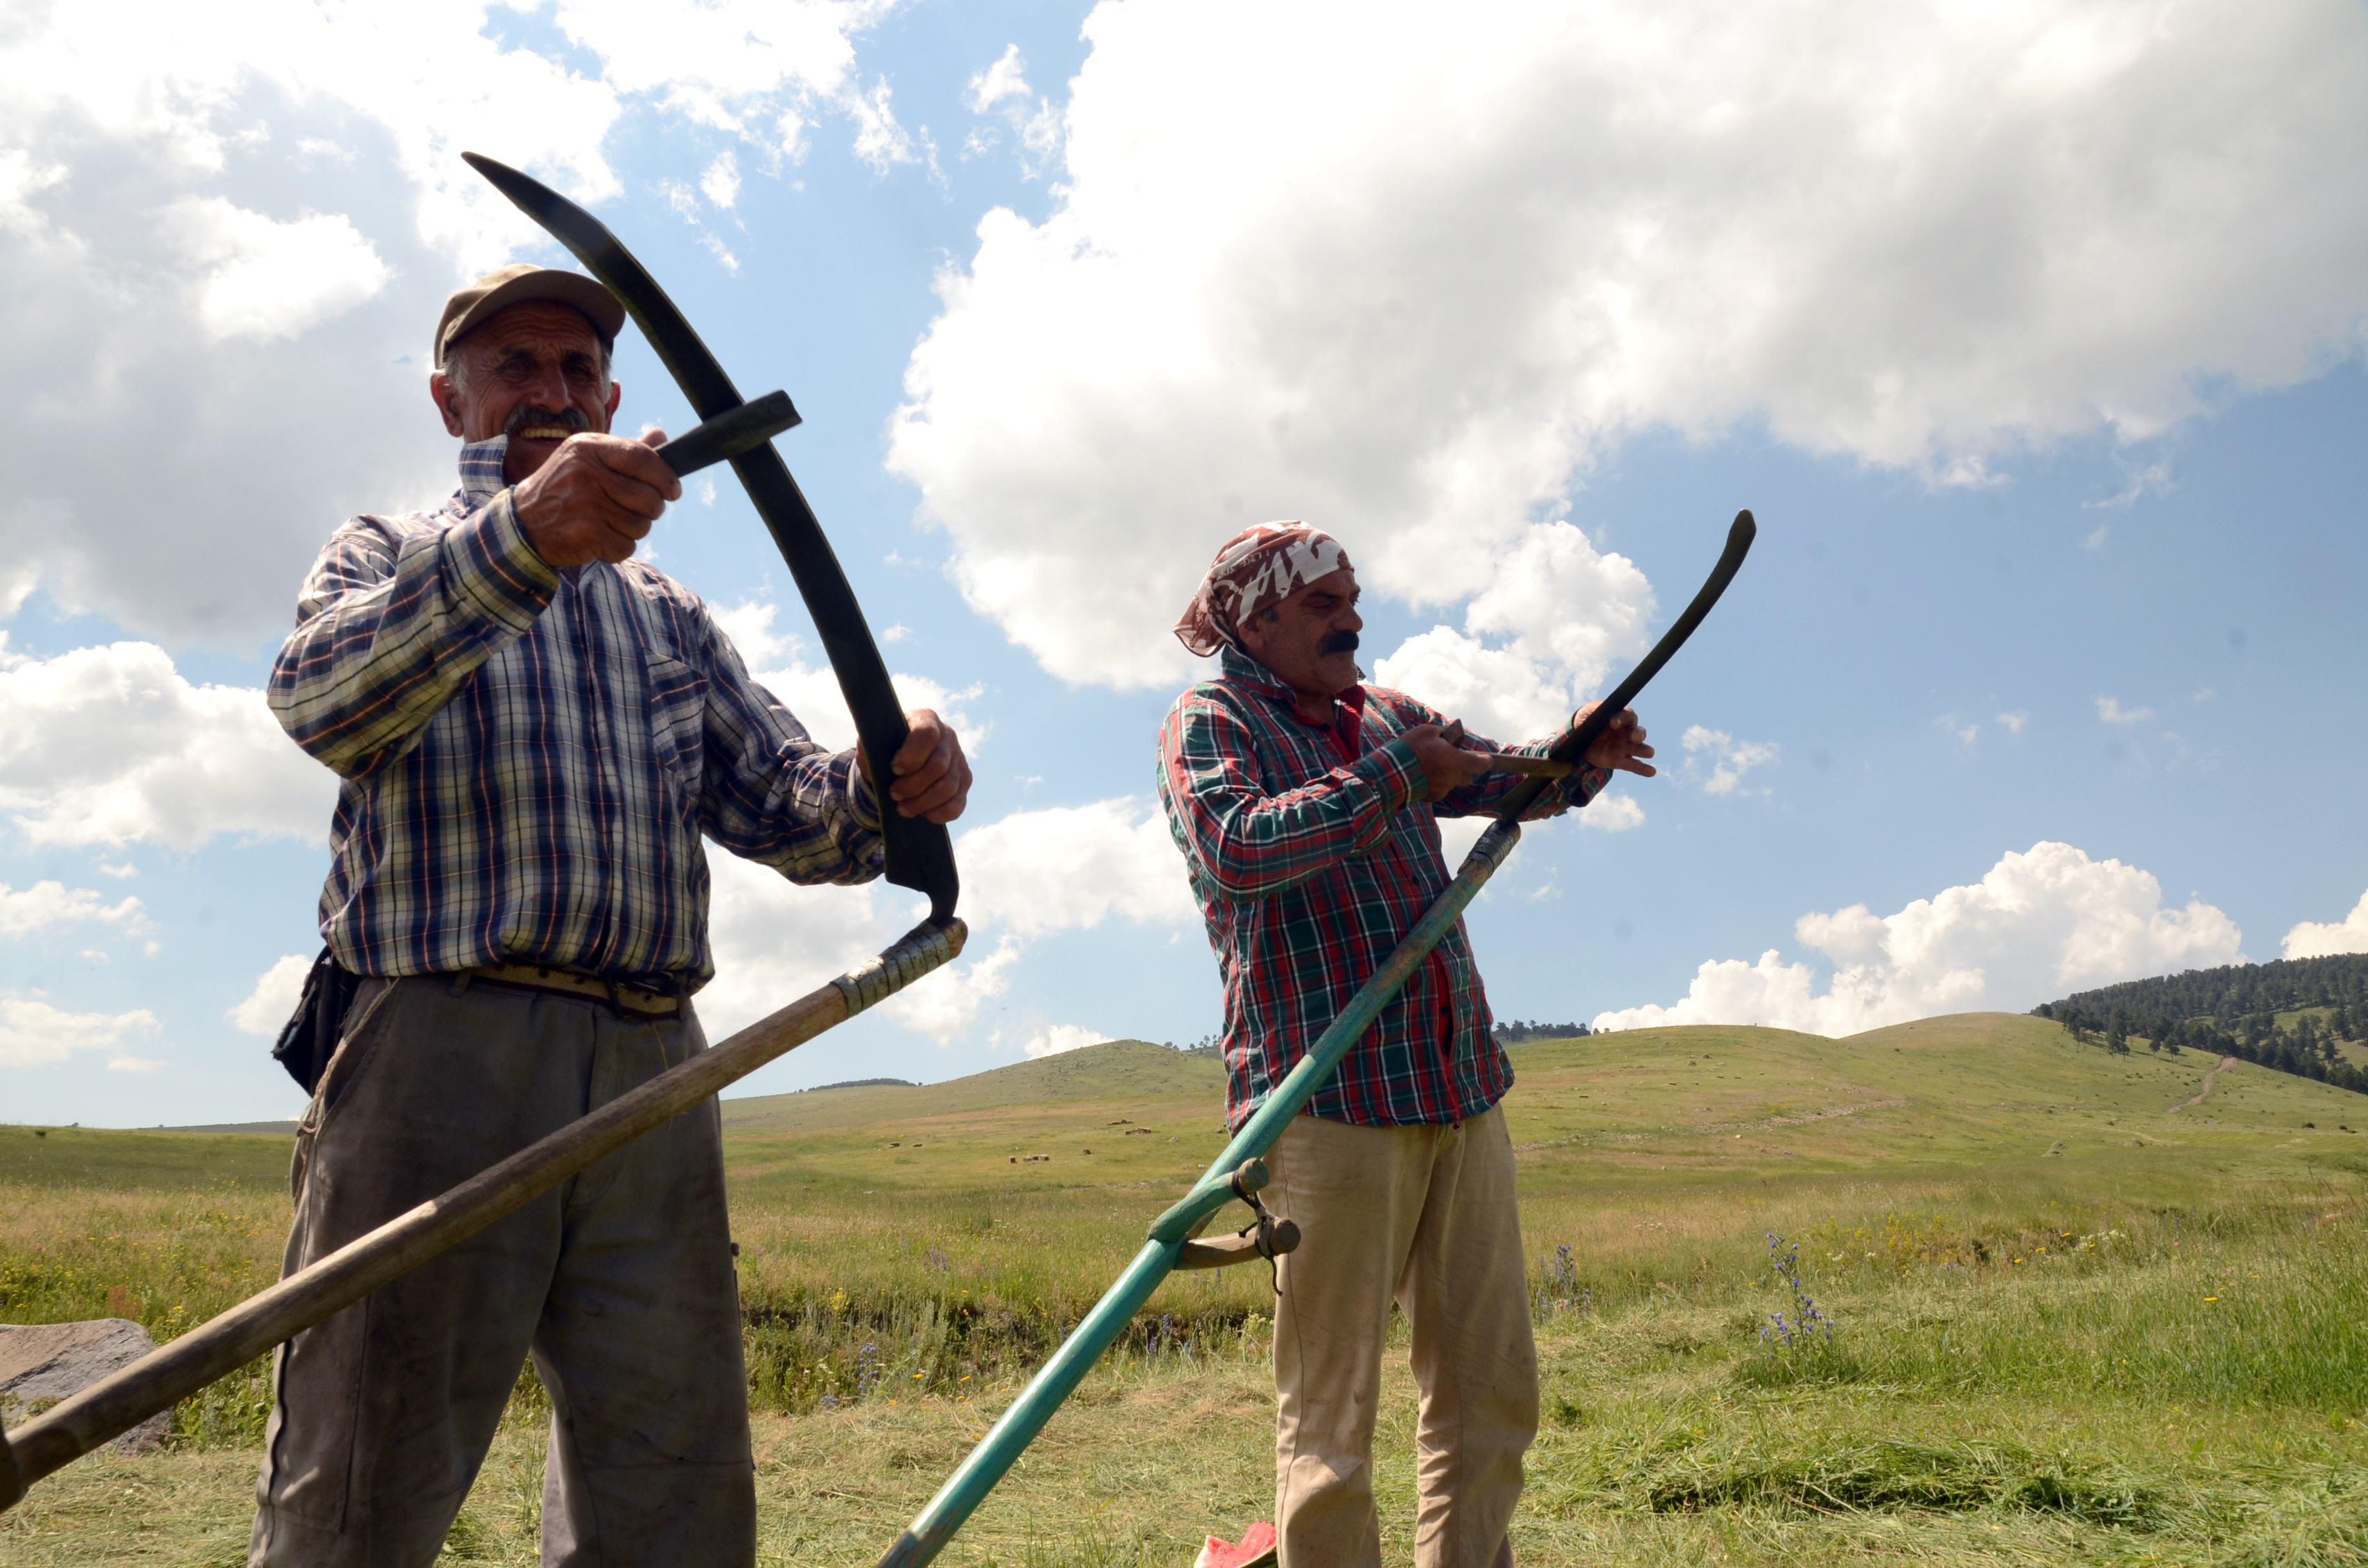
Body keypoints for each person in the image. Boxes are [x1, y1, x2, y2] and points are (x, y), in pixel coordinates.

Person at [251, 263, 971, 1567]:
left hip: (652, 1064)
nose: (553, 388)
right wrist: (523, 540)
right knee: (360, 1477)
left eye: (578, 368)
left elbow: (787, 809)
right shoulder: (388, 551)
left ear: (615, 399)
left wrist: (887, 780)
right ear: (450, 401)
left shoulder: (664, 614)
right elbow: (320, 704)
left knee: (671, 1485)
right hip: (439, 1051)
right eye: (516, 365)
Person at [1156, 523, 1655, 1567]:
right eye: (1325, 602)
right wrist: (1396, 778)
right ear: (1259, 619)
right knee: (1331, 1418)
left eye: (1353, 597)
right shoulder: (1211, 721)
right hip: (1326, 1100)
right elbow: (1239, 846)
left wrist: (1577, 754)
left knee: (1488, 1390)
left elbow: (1504, 779)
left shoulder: (1385, 714)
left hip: (1457, 1087)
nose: (1353, 619)